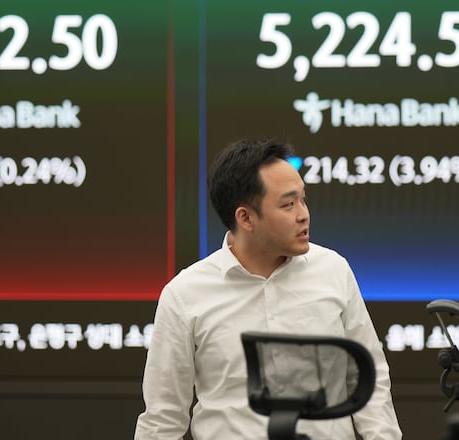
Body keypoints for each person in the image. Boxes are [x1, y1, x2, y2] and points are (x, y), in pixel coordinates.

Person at [134, 138, 402, 439]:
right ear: (245, 218)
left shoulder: (333, 270)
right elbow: (162, 418)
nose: (304, 214)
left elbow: (369, 379)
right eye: (288, 204)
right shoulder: (184, 294)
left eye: (303, 199)